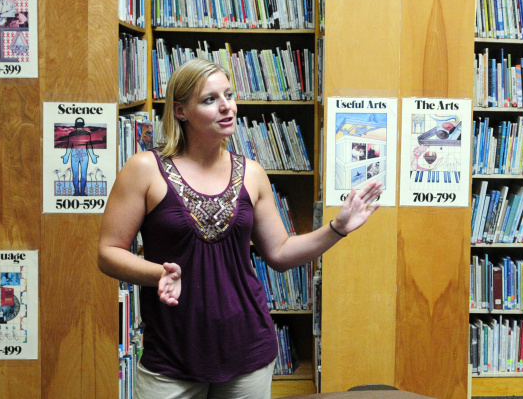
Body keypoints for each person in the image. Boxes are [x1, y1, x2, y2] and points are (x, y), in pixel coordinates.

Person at [98, 59, 381, 399]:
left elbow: (278, 253)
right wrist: (157, 273)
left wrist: (337, 228)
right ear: (180, 111)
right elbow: (108, 252)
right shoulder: (144, 169)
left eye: (229, 95)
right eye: (209, 99)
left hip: (247, 349)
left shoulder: (252, 173)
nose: (226, 106)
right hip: (171, 355)